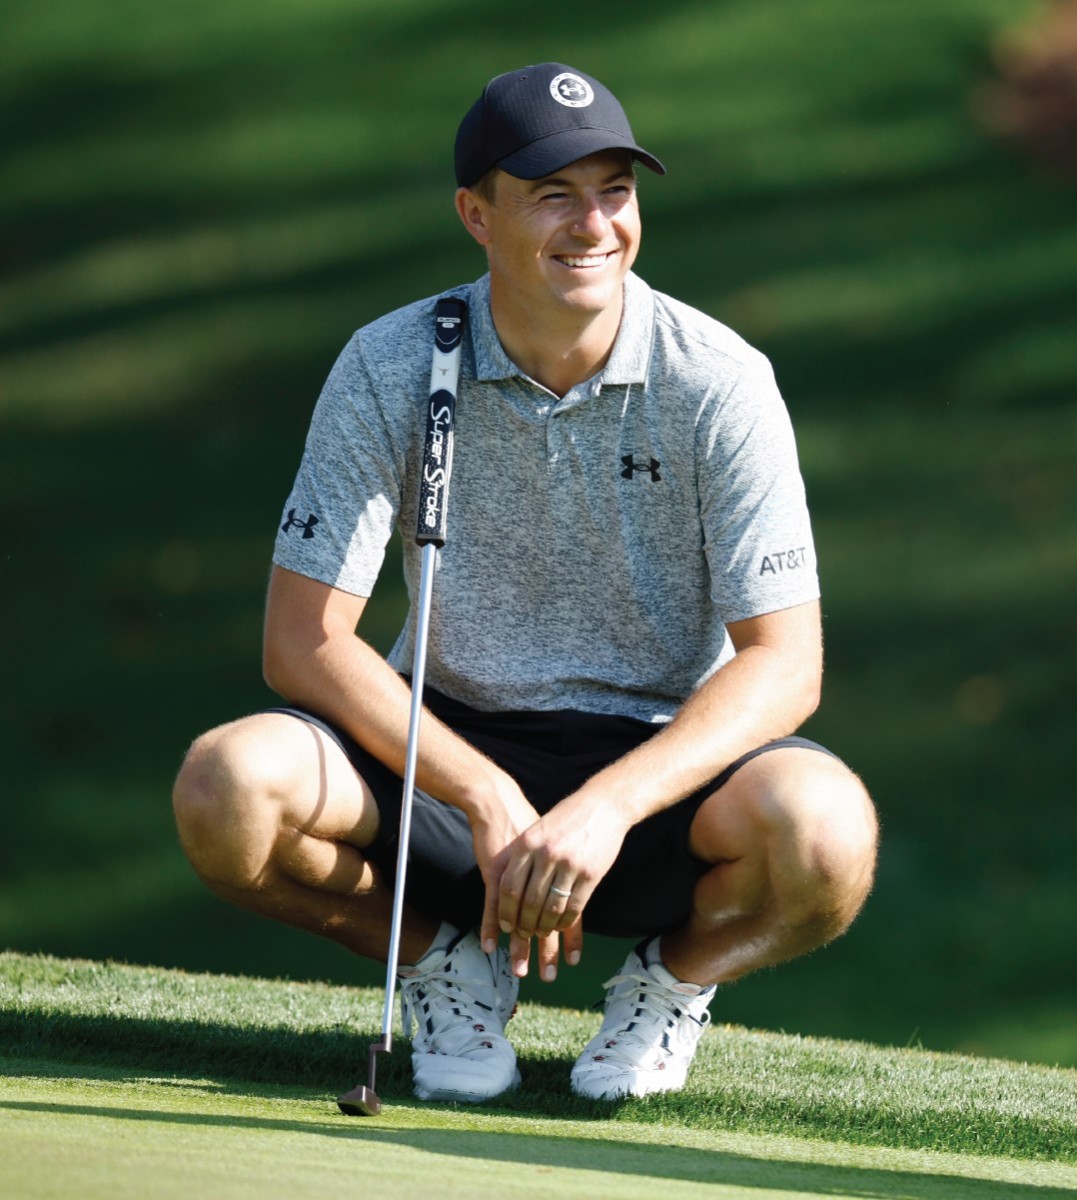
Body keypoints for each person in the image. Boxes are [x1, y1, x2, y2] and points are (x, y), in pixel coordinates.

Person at [172, 62, 878, 1105]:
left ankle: (670, 985)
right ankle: (442, 967)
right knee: (225, 789)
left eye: (615, 191)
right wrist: (484, 792)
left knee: (827, 833)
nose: (594, 225)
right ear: (477, 215)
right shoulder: (391, 364)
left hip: (658, 778)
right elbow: (302, 640)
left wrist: (605, 806)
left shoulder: (718, 380)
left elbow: (787, 663)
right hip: (442, 761)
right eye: (553, 194)